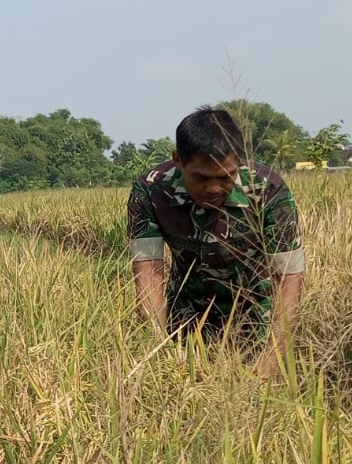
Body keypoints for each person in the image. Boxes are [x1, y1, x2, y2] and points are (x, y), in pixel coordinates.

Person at [127, 107, 305, 375]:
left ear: (239, 162)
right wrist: (159, 356)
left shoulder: (269, 191)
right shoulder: (151, 191)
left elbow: (288, 278)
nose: (213, 189)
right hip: (184, 322)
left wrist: (271, 360)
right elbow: (149, 275)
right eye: (200, 177)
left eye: (226, 177)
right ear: (178, 160)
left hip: (255, 321)